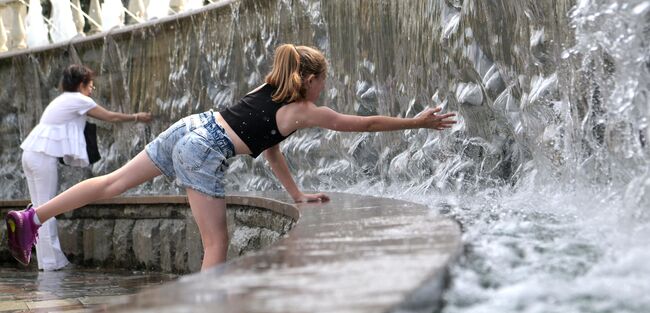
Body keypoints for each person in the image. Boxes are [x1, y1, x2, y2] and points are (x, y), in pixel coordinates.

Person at [5, 44, 456, 272]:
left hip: (190, 126)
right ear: (312, 79)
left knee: (112, 184)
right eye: (324, 80)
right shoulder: (304, 110)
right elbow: (367, 124)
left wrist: (296, 194)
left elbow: (271, 150)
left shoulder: (269, 90)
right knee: (217, 243)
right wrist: (416, 123)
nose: (325, 88)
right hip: (206, 150)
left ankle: (32, 218)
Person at [13, 64, 153, 270]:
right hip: (42, 157)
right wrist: (137, 117)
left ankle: (46, 261)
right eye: (90, 86)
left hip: (31, 154)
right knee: (44, 210)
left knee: (38, 207)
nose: (91, 90)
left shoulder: (62, 99)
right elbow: (110, 117)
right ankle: (52, 262)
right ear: (81, 84)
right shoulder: (79, 99)